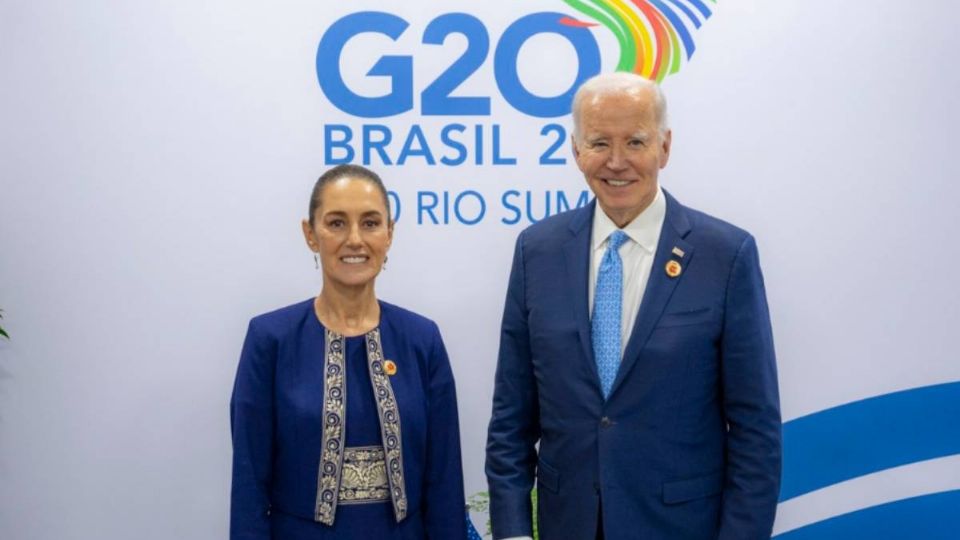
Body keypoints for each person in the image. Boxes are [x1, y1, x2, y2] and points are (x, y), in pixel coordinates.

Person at [485, 73, 782, 540]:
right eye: (600, 142)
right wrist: (515, 532)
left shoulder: (725, 256)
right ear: (575, 150)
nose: (617, 162)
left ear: (664, 147)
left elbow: (755, 430)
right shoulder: (536, 252)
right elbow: (510, 420)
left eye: (636, 142)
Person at [230, 164, 468, 540]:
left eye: (371, 223)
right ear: (310, 234)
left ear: (390, 233)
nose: (355, 239)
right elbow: (249, 485)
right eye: (336, 223)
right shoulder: (270, 340)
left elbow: (445, 483)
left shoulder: (422, 340)